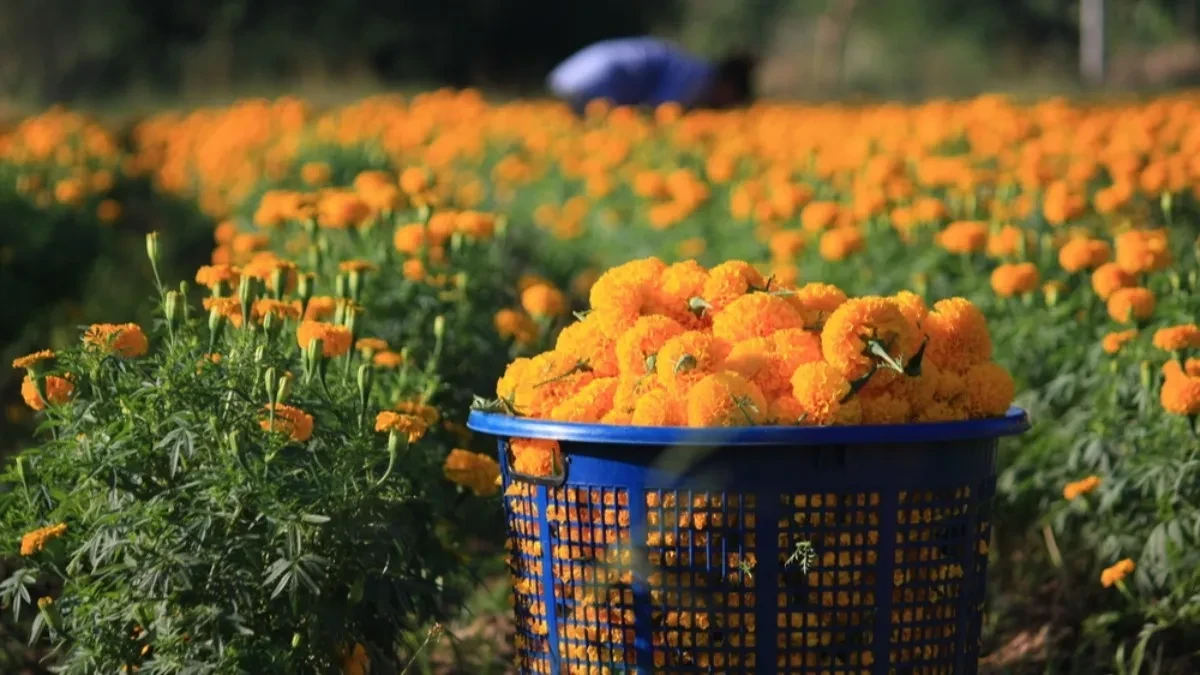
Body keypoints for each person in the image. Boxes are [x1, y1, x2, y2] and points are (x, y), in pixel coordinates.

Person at [547, 37, 756, 115]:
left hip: (571, 71)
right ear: (729, 87)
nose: (726, 111)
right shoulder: (694, 76)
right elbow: (663, 111)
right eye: (732, 104)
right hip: (596, 80)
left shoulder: (688, 65)